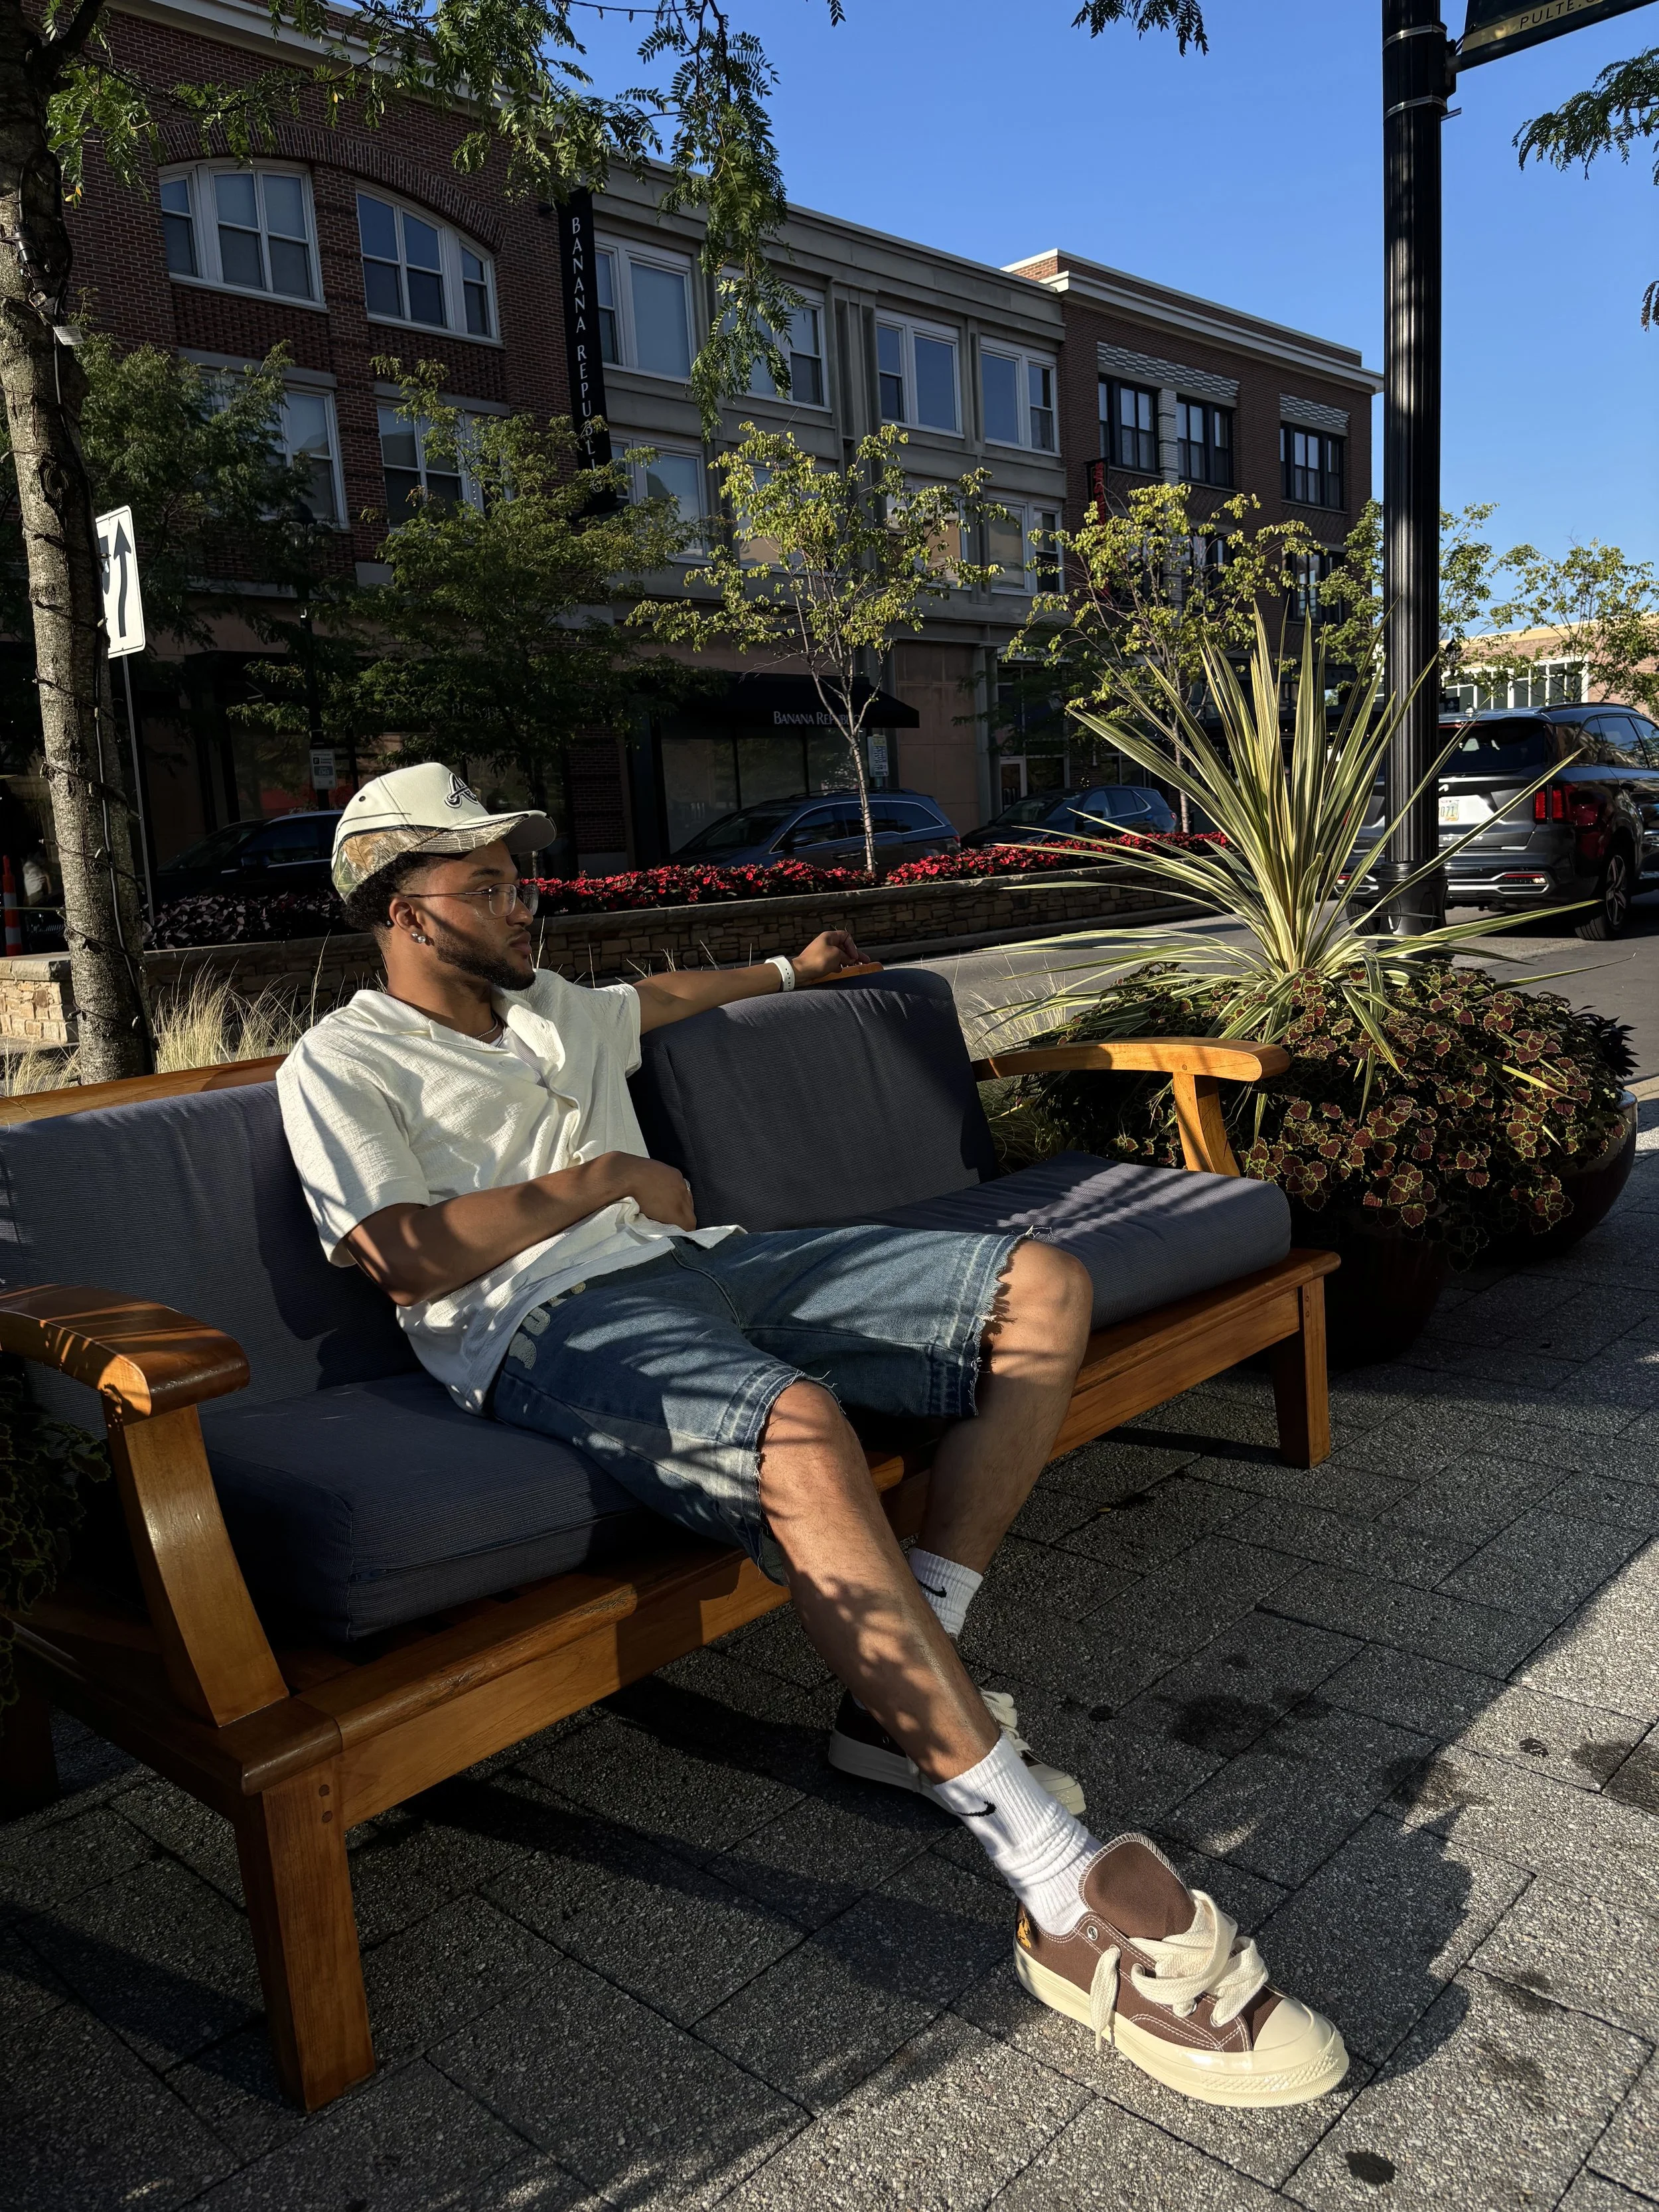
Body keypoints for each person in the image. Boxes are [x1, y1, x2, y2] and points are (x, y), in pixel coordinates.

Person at [279, 764, 1348, 2109]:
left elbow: (661, 997)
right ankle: (1056, 1886)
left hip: (707, 1262)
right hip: (546, 1324)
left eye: (521, 876)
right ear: (401, 908)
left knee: (1042, 1286)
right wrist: (600, 1179)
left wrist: (795, 966)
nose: (523, 901)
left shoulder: (549, 1007)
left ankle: (903, 1685)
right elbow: (398, 1255)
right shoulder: (342, 1061)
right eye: (487, 883)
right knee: (798, 1428)